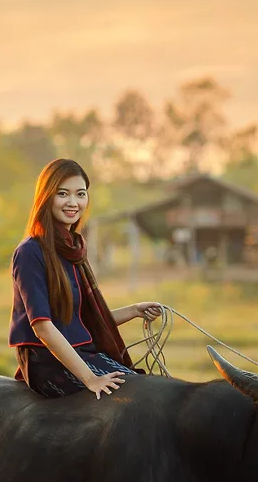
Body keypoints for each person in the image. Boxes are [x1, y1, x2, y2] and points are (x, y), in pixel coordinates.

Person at [9, 158, 161, 399]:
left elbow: (85, 322)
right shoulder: (30, 252)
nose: (73, 203)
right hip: (48, 364)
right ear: (46, 197)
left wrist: (134, 310)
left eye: (80, 194)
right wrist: (91, 378)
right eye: (62, 194)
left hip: (84, 353)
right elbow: (43, 328)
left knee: (151, 388)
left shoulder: (74, 248)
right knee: (136, 397)